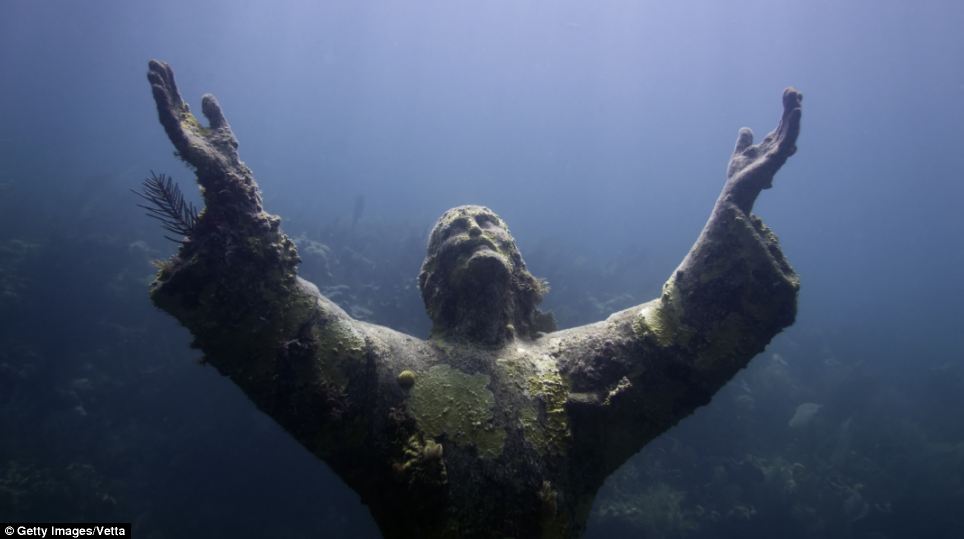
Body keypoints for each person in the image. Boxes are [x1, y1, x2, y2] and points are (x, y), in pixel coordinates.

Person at [144, 60, 801, 539]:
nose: (471, 230)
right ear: (430, 282)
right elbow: (287, 328)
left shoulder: (572, 370)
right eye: (451, 231)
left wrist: (730, 206)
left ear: (522, 271)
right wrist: (233, 201)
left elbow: (677, 331)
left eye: (487, 224)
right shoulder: (383, 371)